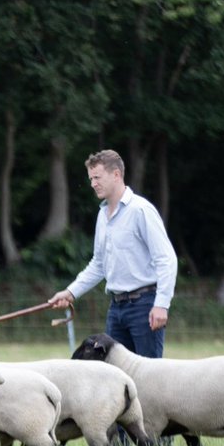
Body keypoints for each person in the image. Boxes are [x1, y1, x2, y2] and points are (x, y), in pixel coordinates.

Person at [48, 149, 177, 358]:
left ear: (116, 174)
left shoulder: (141, 210)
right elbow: (99, 264)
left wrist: (161, 304)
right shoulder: (102, 215)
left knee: (150, 379)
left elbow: (166, 259)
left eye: (97, 177)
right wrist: (71, 292)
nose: (93, 184)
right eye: (91, 179)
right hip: (116, 309)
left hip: (144, 306)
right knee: (114, 378)